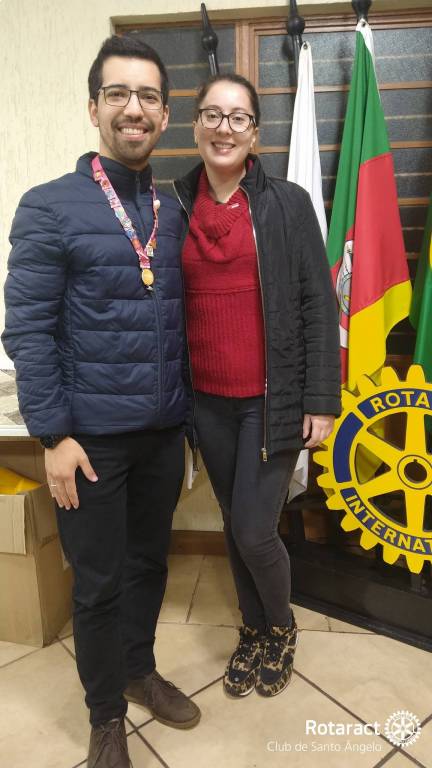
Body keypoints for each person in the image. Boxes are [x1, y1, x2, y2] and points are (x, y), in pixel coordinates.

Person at [2, 33, 200, 768]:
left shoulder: (175, 208)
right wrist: (53, 436)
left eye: (148, 96)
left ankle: (139, 670)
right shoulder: (49, 206)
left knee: (150, 565)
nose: (133, 108)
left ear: (165, 114)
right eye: (118, 93)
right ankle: (105, 717)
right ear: (94, 108)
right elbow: (27, 329)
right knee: (97, 584)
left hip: (162, 434)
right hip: (89, 442)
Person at [174, 73, 341, 700]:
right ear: (196, 124)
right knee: (231, 521)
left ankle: (281, 627)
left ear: (255, 133)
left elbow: (319, 304)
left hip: (272, 401)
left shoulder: (287, 203)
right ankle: (252, 629)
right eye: (212, 114)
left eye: (238, 117)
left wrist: (321, 399)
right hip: (206, 402)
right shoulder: (174, 205)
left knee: (253, 529)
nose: (224, 127)